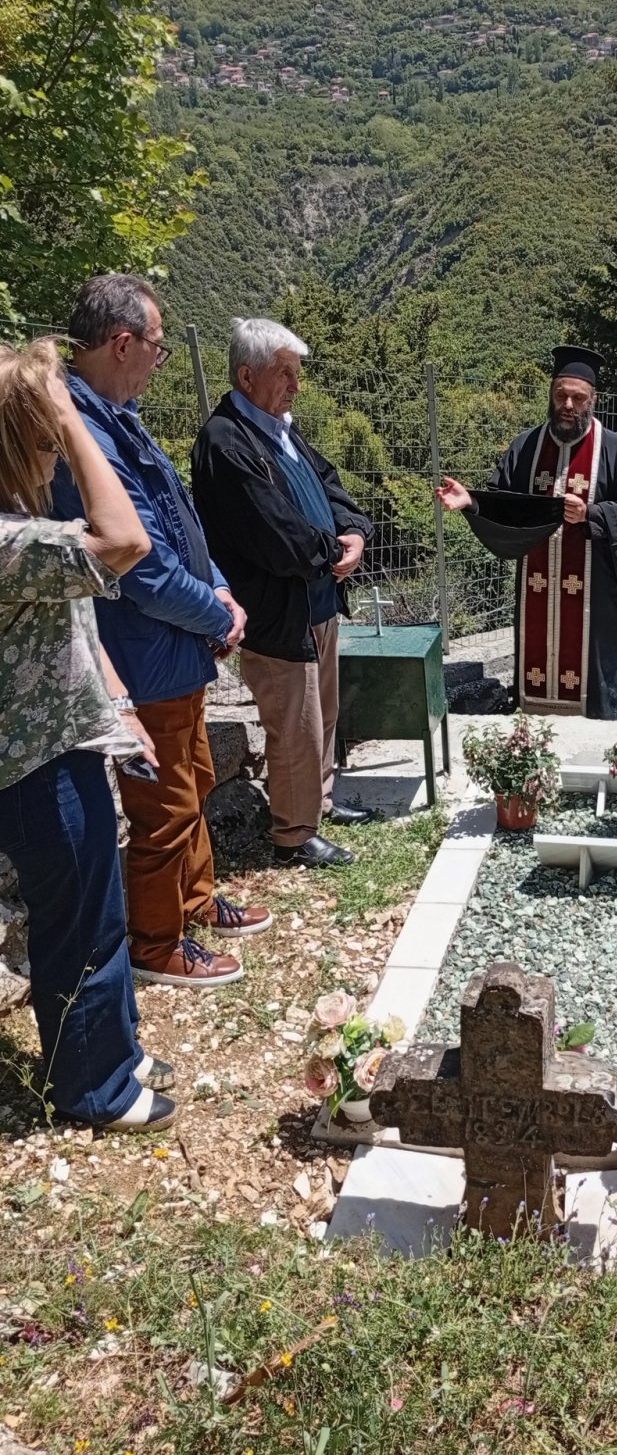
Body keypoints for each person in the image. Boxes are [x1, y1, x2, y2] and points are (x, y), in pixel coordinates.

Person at [51, 274, 270, 988]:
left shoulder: (116, 416)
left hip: (173, 646)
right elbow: (140, 567)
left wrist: (219, 587)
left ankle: (196, 901)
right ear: (122, 344)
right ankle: (156, 943)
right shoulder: (85, 433)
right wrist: (218, 613)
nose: (159, 359)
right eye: (156, 345)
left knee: (193, 781)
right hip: (143, 653)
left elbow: (178, 520)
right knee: (164, 807)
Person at [0, 339, 177, 1129]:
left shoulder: (21, 531)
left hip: (62, 745)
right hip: (34, 765)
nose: (55, 457)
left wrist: (118, 706)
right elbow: (125, 542)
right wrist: (72, 416)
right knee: (78, 928)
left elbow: (72, 617)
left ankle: (115, 1049)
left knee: (96, 914)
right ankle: (94, 1089)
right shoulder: (8, 542)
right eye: (44, 441)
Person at [190, 319, 374, 868]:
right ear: (247, 376)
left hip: (317, 601)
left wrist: (355, 533)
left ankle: (318, 804)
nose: (296, 385)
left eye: (297, 373)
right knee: (294, 725)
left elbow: (330, 485)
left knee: (322, 714)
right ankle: (293, 835)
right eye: (284, 373)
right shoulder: (226, 441)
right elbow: (275, 534)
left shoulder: (281, 431)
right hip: (277, 612)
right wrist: (330, 550)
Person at [437, 345, 617, 718]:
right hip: (537, 586)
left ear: (593, 400)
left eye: (577, 398)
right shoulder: (527, 446)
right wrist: (472, 502)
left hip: (595, 594)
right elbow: (505, 503)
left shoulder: (615, 450)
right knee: (537, 681)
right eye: (561, 395)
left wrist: (592, 514)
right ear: (551, 394)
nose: (568, 405)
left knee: (596, 696)